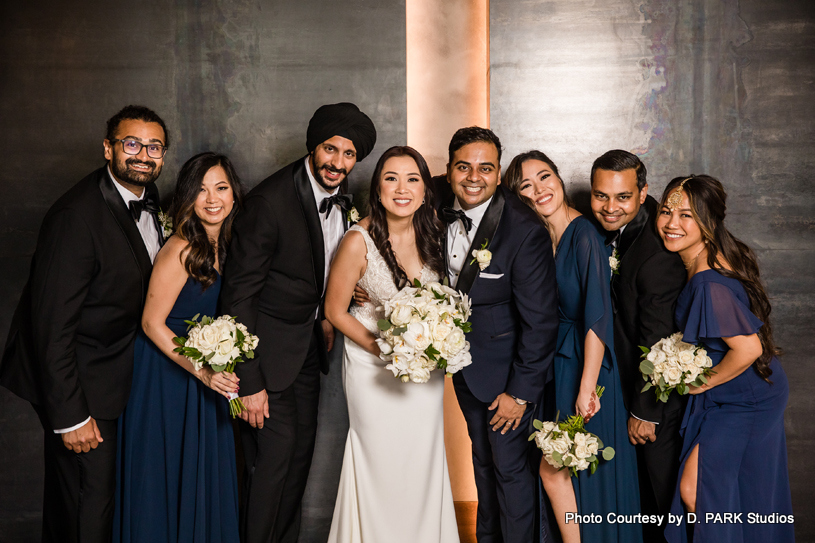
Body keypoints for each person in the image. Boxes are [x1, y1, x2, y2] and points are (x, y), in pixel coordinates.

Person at [0, 105, 168, 543]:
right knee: (85, 508)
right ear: (108, 148)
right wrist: (71, 416)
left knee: (98, 502)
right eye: (131, 144)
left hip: (115, 374)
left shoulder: (150, 201)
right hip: (77, 384)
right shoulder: (76, 217)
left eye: (154, 147)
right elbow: (49, 325)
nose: (143, 155)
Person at [220, 102, 376, 543]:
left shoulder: (339, 198)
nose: (338, 162)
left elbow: (314, 270)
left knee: (296, 466)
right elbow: (239, 298)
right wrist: (248, 381)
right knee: (270, 472)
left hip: (307, 351)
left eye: (349, 155)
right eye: (331, 149)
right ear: (314, 146)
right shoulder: (270, 203)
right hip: (264, 362)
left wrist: (328, 312)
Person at [323, 146, 458, 542]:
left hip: (425, 373)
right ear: (377, 188)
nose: (402, 188)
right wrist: (383, 348)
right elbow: (335, 311)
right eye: (391, 178)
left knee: (422, 460)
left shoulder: (435, 231)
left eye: (413, 179)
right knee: (380, 462)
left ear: (424, 189)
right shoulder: (357, 240)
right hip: (372, 369)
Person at [505, 150, 641, 543]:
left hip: (588, 367)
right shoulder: (541, 238)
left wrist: (586, 388)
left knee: (563, 468)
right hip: (560, 366)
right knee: (565, 468)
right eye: (526, 185)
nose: (539, 189)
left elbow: (598, 318)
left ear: (560, 180)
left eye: (545, 176)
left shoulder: (583, 235)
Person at [434, 127, 558, 543]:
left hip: (508, 377)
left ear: (499, 173)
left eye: (485, 168)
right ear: (448, 171)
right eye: (463, 167)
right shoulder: (428, 200)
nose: (474, 177)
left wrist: (520, 393)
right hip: (465, 369)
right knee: (482, 466)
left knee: (510, 472)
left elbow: (542, 321)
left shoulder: (524, 230)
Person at [113, 152, 245, 542]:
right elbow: (151, 323)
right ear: (187, 197)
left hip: (201, 377)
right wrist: (203, 371)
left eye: (221, 188)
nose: (212, 199)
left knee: (199, 475)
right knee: (164, 475)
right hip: (166, 377)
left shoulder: (225, 245)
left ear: (234, 194)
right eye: (200, 190)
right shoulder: (182, 247)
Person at [655, 175, 793, 543]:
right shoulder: (706, 258)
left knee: (699, 491)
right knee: (738, 493)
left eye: (686, 215)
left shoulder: (707, 282)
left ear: (709, 221)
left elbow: (749, 349)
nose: (671, 223)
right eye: (666, 211)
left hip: (744, 399)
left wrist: (701, 382)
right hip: (746, 391)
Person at [590, 150, 686, 542]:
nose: (611, 207)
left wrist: (646, 412)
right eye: (601, 196)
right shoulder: (619, 232)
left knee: (664, 501)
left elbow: (657, 340)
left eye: (623, 197)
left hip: (659, 405)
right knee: (643, 502)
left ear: (643, 193)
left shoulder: (657, 255)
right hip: (627, 388)